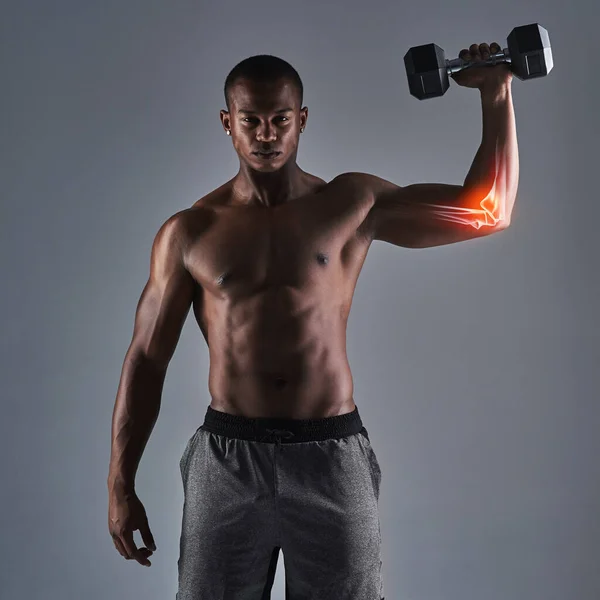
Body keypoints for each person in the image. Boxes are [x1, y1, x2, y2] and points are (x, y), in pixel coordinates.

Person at [108, 48, 517, 599]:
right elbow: (146, 359)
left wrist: (496, 93)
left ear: (301, 120)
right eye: (250, 120)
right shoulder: (189, 233)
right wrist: (120, 483)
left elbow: (488, 211)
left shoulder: (351, 204)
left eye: (280, 119)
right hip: (229, 459)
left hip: (330, 454)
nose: (265, 134)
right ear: (227, 123)